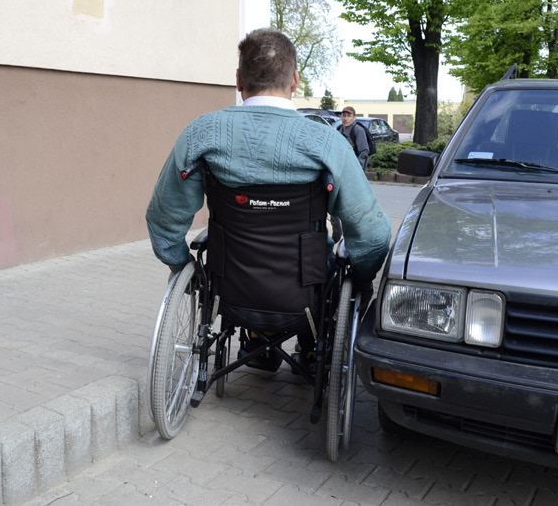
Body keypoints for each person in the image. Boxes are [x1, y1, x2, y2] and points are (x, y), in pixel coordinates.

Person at [146, 28, 392, 368]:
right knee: (331, 264)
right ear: (294, 80)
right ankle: (309, 347)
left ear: (238, 80)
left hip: (228, 289)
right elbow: (374, 237)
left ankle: (259, 342)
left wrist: (182, 266)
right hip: (305, 292)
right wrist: (360, 277)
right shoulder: (326, 143)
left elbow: (163, 222)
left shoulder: (200, 135)